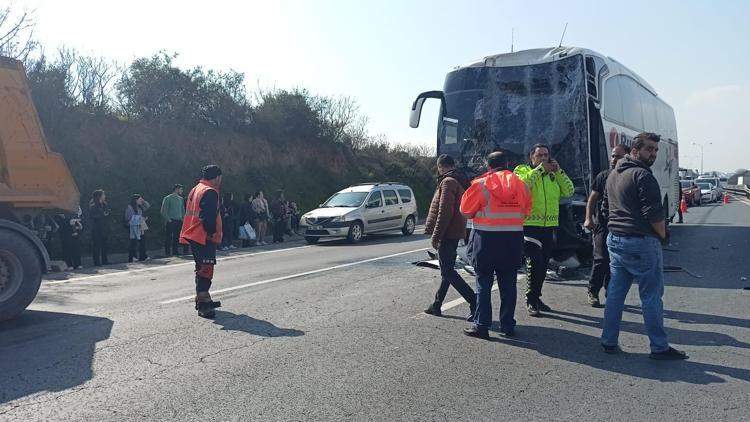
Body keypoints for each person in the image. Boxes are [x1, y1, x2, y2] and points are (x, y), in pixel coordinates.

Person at [601, 133, 687, 360]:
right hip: (641, 242)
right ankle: (659, 347)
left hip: (616, 239)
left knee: (615, 295)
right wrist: (663, 236)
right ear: (635, 151)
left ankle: (608, 340)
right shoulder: (642, 176)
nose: (654, 154)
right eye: (650, 149)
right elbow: (654, 216)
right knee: (650, 296)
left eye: (656, 150)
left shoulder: (614, 174)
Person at [461, 151, 531, 339]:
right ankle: (508, 325)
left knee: (483, 282)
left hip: (486, 241)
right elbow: (527, 211)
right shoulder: (521, 184)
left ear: (488, 165)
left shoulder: (481, 184)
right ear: (507, 163)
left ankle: (482, 326)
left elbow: (466, 211)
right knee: (508, 284)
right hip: (512, 241)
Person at [514, 144, 574, 316]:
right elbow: (522, 186)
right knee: (534, 262)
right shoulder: (522, 169)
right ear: (531, 156)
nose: (544, 158)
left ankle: (537, 297)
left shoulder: (553, 175)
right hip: (530, 225)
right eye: (539, 155)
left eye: (546, 155)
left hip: (548, 226)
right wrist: (540, 169)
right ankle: (530, 300)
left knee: (543, 264)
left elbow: (568, 191)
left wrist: (559, 171)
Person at [423, 154, 476, 319]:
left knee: (448, 271)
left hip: (447, 233)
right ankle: (437, 304)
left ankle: (475, 301)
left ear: (441, 167)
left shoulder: (447, 182)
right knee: (447, 270)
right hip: (456, 230)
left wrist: (436, 236)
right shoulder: (460, 180)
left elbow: (444, 212)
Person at [583, 144, 629, 307]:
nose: (614, 159)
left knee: (616, 261)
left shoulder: (630, 176)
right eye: (612, 156)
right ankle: (593, 290)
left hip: (622, 227)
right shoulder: (603, 176)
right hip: (603, 224)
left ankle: (611, 290)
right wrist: (589, 218)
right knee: (601, 259)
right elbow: (592, 199)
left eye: (618, 156)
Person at [180, 165, 224, 319]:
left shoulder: (196, 188)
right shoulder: (210, 192)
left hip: (193, 233)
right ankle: (204, 304)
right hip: (203, 236)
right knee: (206, 270)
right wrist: (211, 233)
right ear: (217, 177)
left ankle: (201, 299)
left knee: (200, 268)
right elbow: (209, 216)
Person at [161, 184, 186, 257]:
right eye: (181, 189)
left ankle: (175, 251)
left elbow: (183, 210)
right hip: (171, 220)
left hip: (179, 221)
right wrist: (168, 220)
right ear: (177, 189)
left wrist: (183, 219)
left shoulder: (181, 199)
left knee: (177, 237)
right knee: (168, 237)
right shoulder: (168, 198)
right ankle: (167, 252)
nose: (182, 191)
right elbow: (163, 211)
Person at [125, 194, 151, 262]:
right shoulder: (129, 207)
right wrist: (138, 219)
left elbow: (147, 206)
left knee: (142, 241)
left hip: (140, 225)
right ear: (135, 200)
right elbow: (128, 218)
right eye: (139, 199)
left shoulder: (140, 207)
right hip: (133, 226)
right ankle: (132, 257)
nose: (140, 201)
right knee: (133, 242)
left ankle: (143, 256)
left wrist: (143, 201)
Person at [89, 189, 111, 266]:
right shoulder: (93, 206)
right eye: (103, 195)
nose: (104, 196)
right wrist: (102, 214)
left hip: (104, 227)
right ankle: (97, 262)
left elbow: (107, 213)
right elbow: (92, 216)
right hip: (97, 228)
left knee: (105, 245)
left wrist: (107, 213)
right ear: (99, 196)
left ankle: (105, 260)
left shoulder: (105, 204)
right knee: (97, 246)